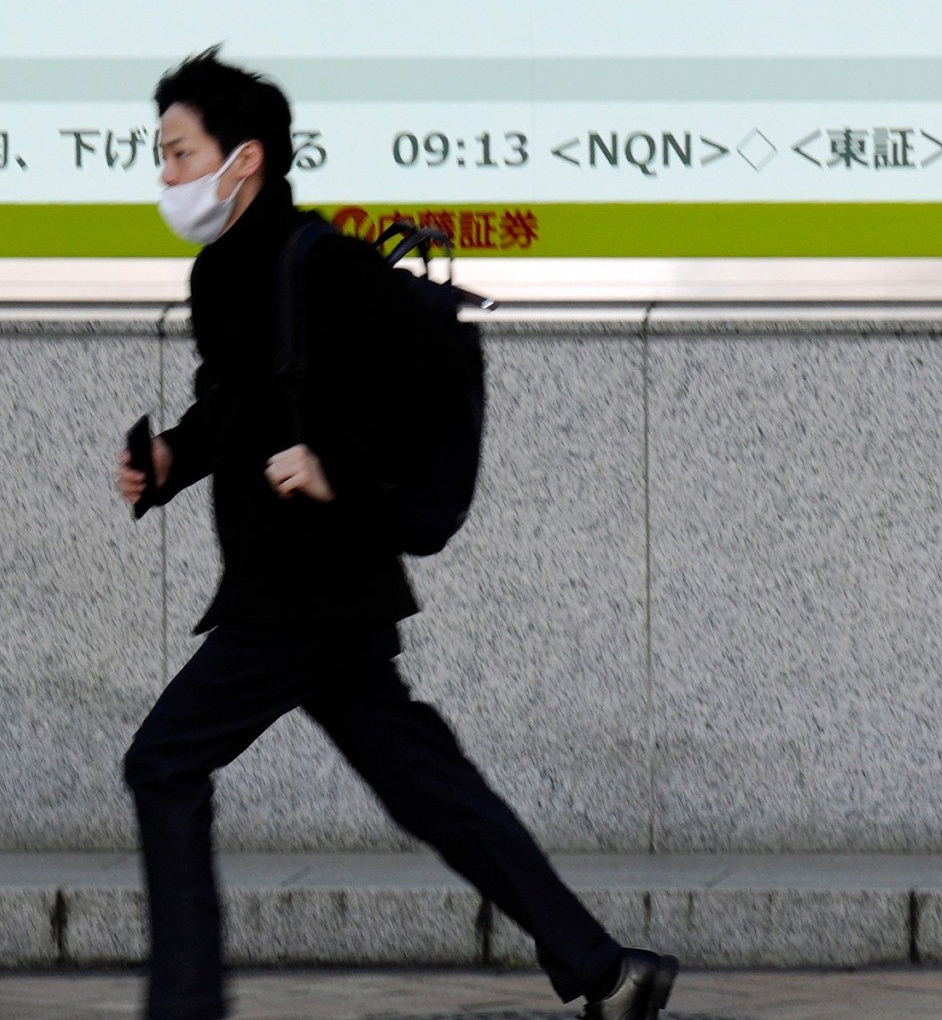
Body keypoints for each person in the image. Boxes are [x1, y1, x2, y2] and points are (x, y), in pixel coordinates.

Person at [118, 50, 679, 1020]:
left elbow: (426, 376)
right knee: (430, 791)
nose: (163, 175)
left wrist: (335, 463)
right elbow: (241, 407)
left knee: (162, 761)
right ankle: (604, 969)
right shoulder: (221, 275)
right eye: (160, 154)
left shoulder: (323, 264)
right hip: (303, 587)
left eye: (177, 152)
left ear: (242, 158)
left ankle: (185, 1008)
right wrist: (171, 458)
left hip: (308, 583)